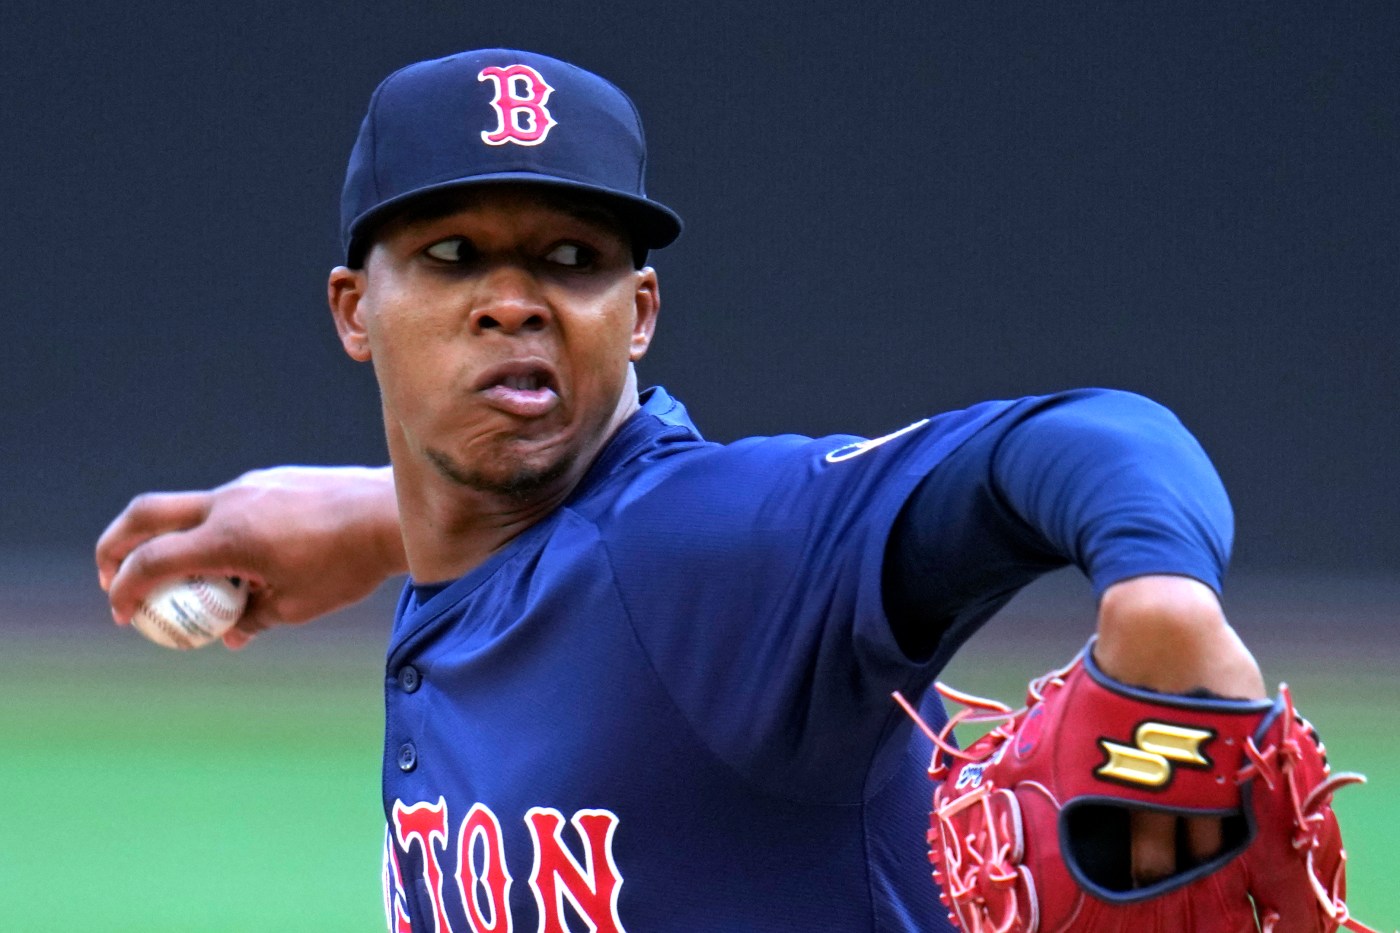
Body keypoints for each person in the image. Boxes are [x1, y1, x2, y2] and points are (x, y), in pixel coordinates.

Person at [97, 49, 1267, 932]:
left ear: (639, 314)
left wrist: (1159, 594)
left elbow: (1091, 435)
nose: (512, 301)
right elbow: (555, 555)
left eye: (571, 259)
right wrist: (375, 523)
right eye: (452, 254)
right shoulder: (486, 551)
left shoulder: (723, 550)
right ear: (356, 309)